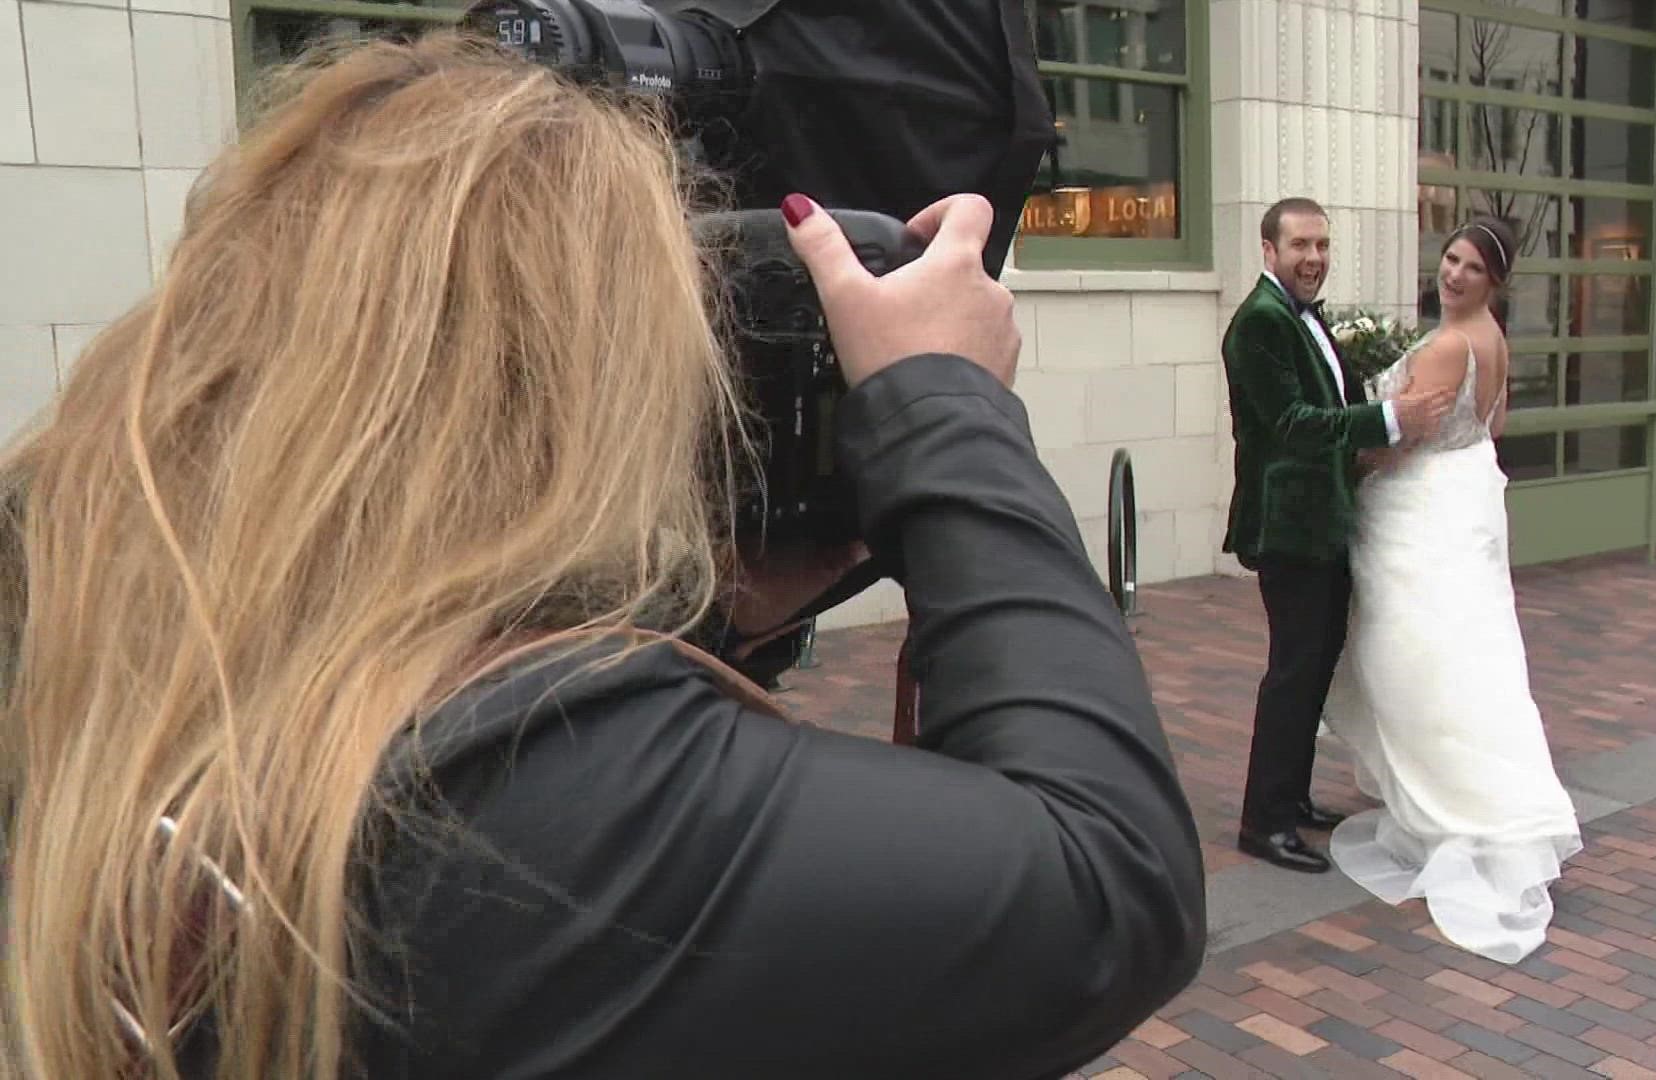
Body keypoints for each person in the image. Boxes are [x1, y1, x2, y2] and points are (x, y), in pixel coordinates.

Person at [0, 34, 1206, 1079]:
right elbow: (1110, 879)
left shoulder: (71, 609)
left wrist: (725, 615)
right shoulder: (510, 799)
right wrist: (944, 406)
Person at [1323, 217, 1583, 964]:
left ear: (1493, 281)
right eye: (1450, 258)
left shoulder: (1447, 345)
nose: (1454, 274)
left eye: (1471, 267)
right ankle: (1487, 784)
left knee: (1414, 657)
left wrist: (1352, 464)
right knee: (1471, 652)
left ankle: (1458, 801)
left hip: (1421, 513)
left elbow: (1403, 440)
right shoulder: (1495, 340)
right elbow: (1488, 427)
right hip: (1467, 503)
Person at [1220, 198, 1456, 875]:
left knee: (1316, 667)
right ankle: (1261, 823)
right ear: (1268, 251)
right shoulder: (1260, 323)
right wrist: (1390, 418)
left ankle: (1290, 798)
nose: (1314, 258)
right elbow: (1294, 422)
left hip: (1322, 524)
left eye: (1322, 244)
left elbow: (1327, 405)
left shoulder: (1303, 316)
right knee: (1293, 674)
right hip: (1287, 526)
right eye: (1300, 245)